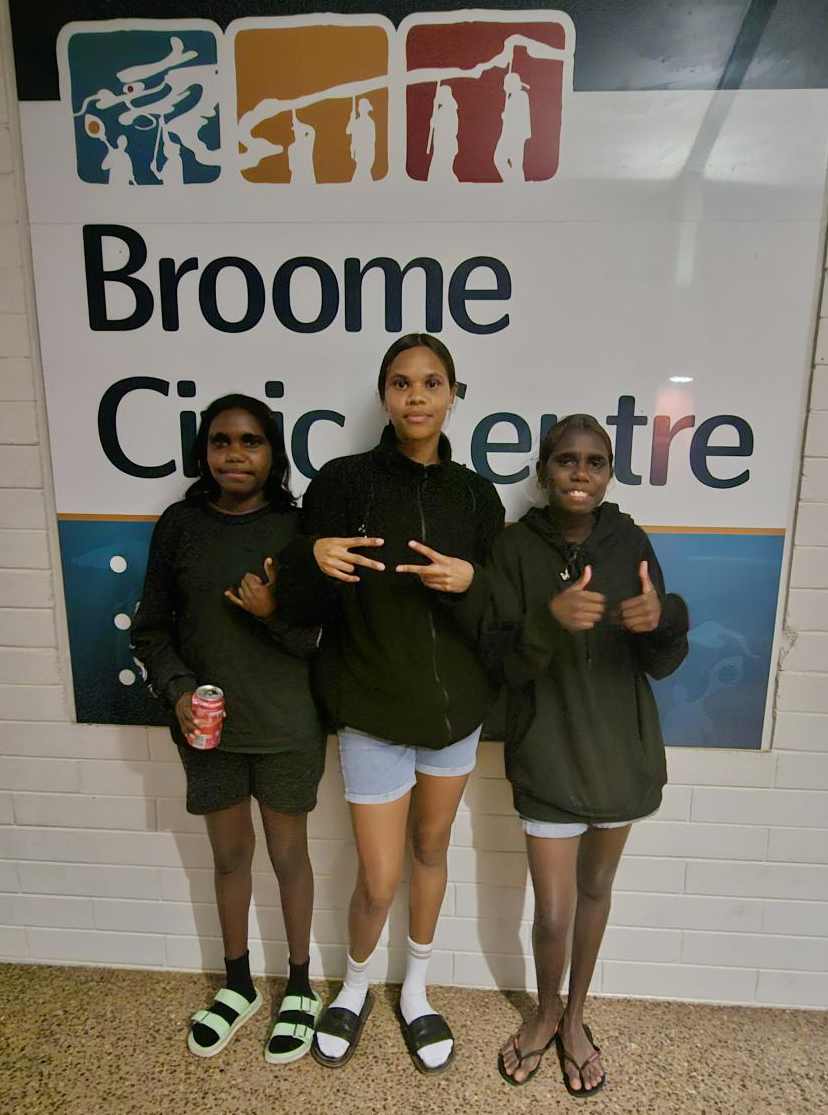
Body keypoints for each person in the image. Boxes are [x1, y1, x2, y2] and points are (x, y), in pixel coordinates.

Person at [277, 334, 504, 1073]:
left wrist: (472, 581)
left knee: (431, 851)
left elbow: (500, 608)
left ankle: (416, 989)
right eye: (402, 382)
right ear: (384, 395)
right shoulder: (342, 482)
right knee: (377, 877)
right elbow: (300, 602)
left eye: (432, 382)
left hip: (452, 713)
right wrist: (312, 559)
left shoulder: (475, 495)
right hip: (371, 706)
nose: (416, 395)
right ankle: (356, 983)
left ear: (451, 395)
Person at [475, 414, 688, 1093]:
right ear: (544, 471)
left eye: (595, 461)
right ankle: (543, 1012)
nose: (580, 471)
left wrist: (661, 622)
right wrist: (548, 621)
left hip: (619, 756)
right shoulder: (514, 550)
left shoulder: (630, 542)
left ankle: (574, 1019)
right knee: (554, 911)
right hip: (547, 753)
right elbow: (498, 662)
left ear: (609, 473)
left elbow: (664, 658)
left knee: (597, 890)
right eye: (566, 459)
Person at [131, 394, 327, 1065]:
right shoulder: (179, 525)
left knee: (290, 857)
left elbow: (317, 640)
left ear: (273, 453)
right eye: (221, 441)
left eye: (251, 441)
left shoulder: (300, 528)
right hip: (208, 730)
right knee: (228, 859)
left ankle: (300, 985)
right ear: (204, 451)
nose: (236, 454)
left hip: (287, 726)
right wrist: (178, 690)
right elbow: (151, 629)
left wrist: (273, 611)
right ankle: (239, 982)